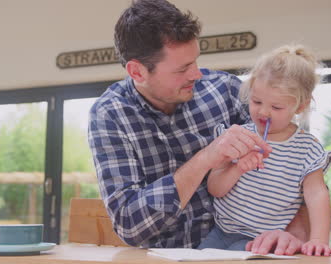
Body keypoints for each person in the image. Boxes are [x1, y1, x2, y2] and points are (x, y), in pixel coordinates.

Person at [88, 0, 307, 254]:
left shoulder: (226, 90)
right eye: (182, 69)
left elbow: (300, 165)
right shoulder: (110, 115)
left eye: (195, 61)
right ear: (137, 72)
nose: (197, 74)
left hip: (246, 252)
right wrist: (205, 158)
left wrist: (293, 233)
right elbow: (129, 225)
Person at [198, 44, 331, 256]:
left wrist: (318, 240)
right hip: (220, 232)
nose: (263, 112)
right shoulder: (236, 137)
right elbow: (215, 189)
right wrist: (237, 169)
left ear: (300, 106)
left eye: (276, 107)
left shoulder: (307, 149)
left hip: (261, 241)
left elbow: (317, 194)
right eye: (256, 101)